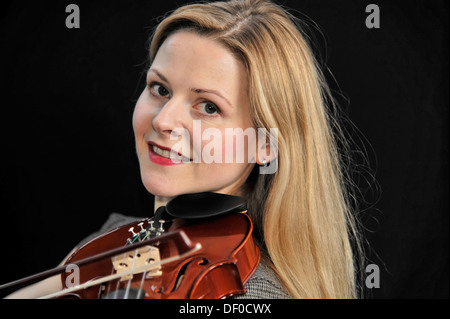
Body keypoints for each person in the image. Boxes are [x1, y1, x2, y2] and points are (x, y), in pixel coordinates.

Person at [7, 0, 363, 299]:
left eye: (208, 106)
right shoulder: (112, 241)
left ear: (265, 145)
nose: (163, 120)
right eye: (160, 89)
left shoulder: (252, 294)